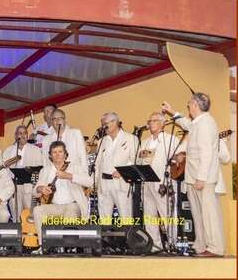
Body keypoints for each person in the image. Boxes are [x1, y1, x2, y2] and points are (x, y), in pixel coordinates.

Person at [163, 94, 223, 257]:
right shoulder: (199, 123)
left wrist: (201, 178)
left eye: (189, 103)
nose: (188, 106)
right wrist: (173, 112)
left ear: (196, 104)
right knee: (198, 215)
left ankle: (215, 248)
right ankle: (202, 245)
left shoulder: (205, 124)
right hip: (194, 178)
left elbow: (207, 153)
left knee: (208, 214)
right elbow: (187, 124)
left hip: (202, 179)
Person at [32, 141, 91, 250]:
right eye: (54, 152)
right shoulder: (45, 170)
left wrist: (69, 176)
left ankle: (68, 246)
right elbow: (35, 191)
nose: (57, 154)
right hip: (54, 206)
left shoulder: (75, 167)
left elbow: (90, 182)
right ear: (50, 155)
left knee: (70, 212)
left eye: (60, 152)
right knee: (37, 210)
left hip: (73, 205)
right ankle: (43, 245)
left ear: (65, 154)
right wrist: (41, 189)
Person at [138, 111, 179, 251]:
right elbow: (139, 161)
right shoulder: (144, 142)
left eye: (155, 120)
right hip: (147, 183)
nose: (151, 123)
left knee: (167, 215)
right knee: (149, 216)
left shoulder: (171, 139)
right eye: (150, 121)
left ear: (163, 123)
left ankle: (172, 244)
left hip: (163, 183)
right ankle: (155, 246)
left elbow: (178, 160)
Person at [93, 112, 137, 221]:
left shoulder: (131, 139)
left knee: (125, 217)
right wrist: (95, 183)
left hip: (120, 183)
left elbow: (135, 161)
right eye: (102, 124)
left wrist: (123, 172)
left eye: (105, 123)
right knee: (104, 219)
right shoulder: (101, 141)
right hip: (104, 184)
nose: (103, 126)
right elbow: (97, 164)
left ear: (115, 122)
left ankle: (128, 237)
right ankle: (105, 238)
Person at [2, 125, 43, 222]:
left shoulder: (35, 150)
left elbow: (40, 168)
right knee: (16, 213)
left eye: (25, 133)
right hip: (14, 186)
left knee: (30, 213)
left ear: (27, 135)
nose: (23, 135)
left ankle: (30, 234)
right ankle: (18, 233)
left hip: (29, 185)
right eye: (20, 133)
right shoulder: (8, 151)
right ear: (16, 136)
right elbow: (4, 170)